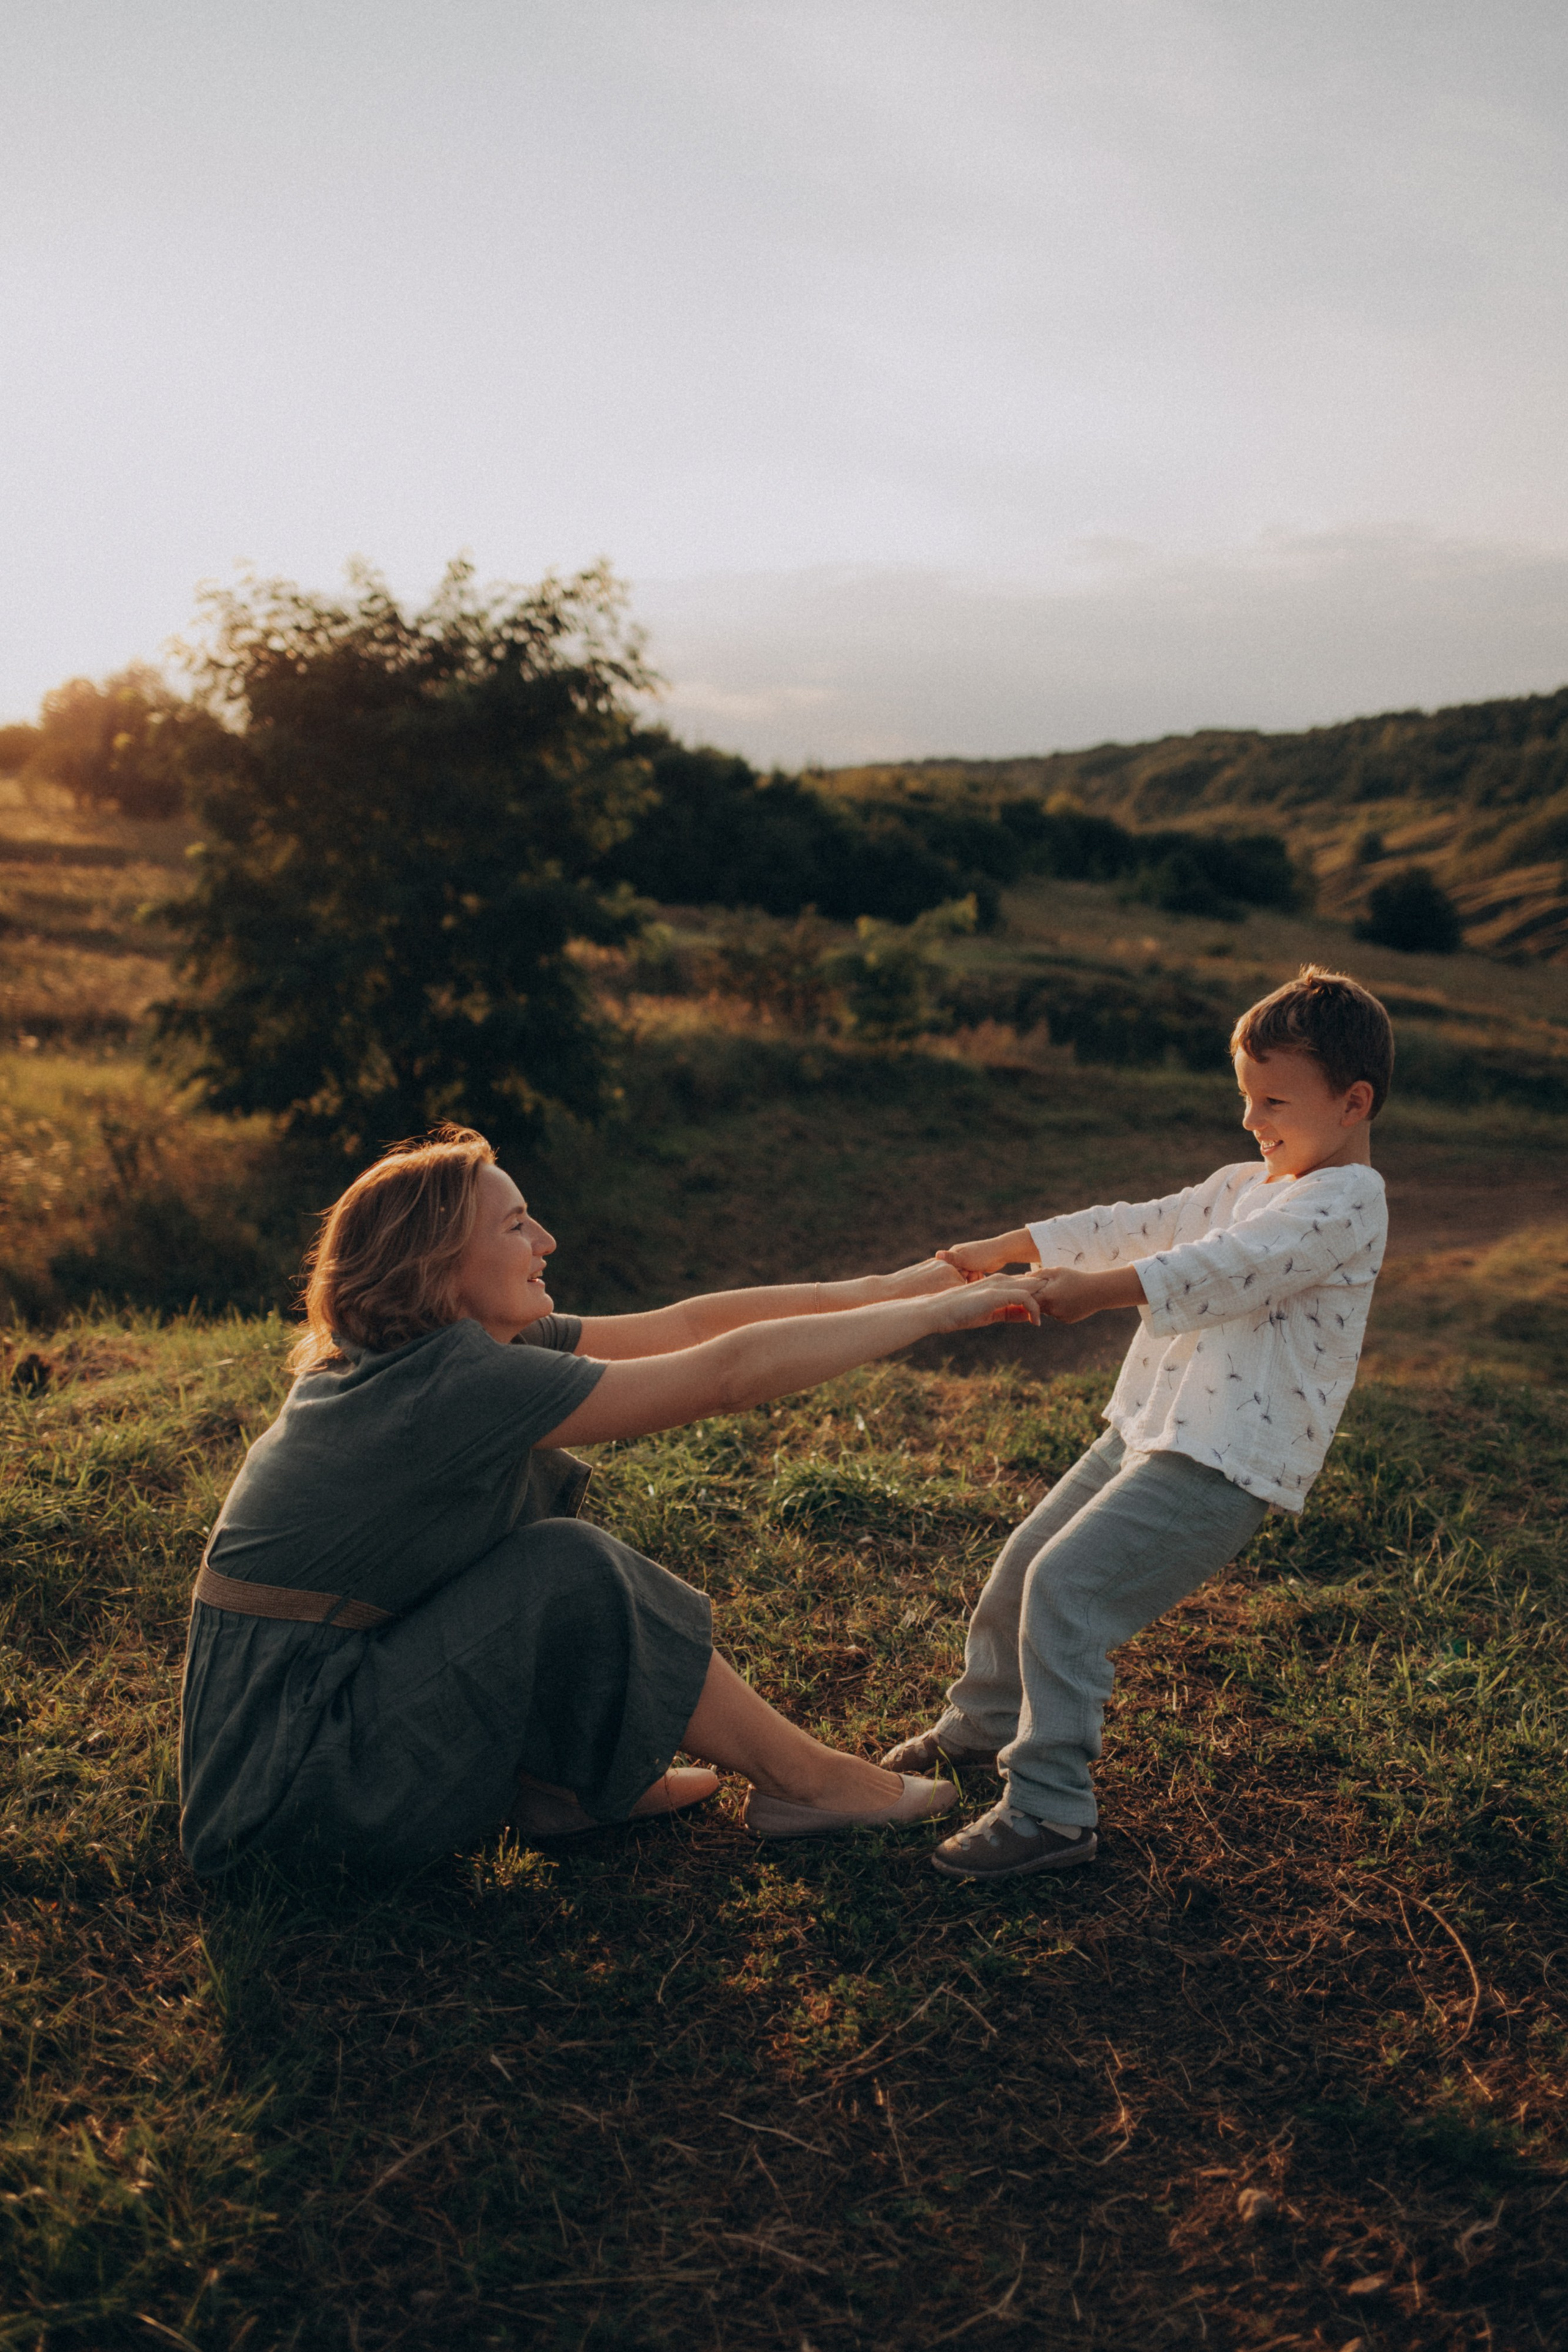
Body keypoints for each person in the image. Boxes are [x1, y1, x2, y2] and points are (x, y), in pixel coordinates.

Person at [179, 1125, 1049, 1877]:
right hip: (286, 1790)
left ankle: (562, 1789)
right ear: (439, 1267)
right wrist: (936, 1321)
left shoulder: (439, 1353)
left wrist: (908, 1285)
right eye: (518, 1225)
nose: (547, 1240)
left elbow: (685, 1328)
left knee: (536, 1550)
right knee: (567, 1568)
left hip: (289, 1756)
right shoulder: (453, 1381)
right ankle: (810, 1782)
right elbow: (725, 1376)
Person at [883, 965, 1394, 1883]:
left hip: (1223, 1459)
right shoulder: (1250, 1179)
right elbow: (1147, 1222)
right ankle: (982, 1727)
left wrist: (1096, 1295)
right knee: (1020, 1575)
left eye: (1273, 1099)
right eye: (1246, 1096)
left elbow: (1228, 1266)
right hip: (1152, 1426)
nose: (1251, 1119)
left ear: (1354, 1102)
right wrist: (1021, 1245)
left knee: (1069, 1591)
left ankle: (1050, 1809)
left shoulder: (1347, 1203)